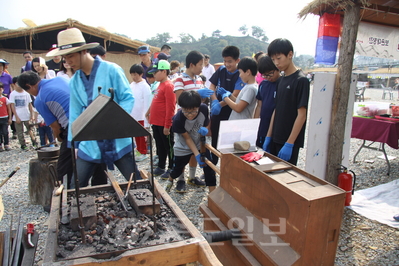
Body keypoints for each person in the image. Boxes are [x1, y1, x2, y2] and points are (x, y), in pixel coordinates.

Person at [47, 27, 141, 188]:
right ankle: (74, 212)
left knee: (137, 182)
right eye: (65, 57)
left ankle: (152, 207)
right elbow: (75, 114)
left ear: (83, 52)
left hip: (117, 137)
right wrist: (74, 144)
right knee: (76, 185)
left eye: (70, 56)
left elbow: (127, 98)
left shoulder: (112, 70)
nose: (67, 61)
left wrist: (114, 122)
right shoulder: (75, 80)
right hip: (90, 142)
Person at [17, 71, 107, 187]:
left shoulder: (40, 99)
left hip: (76, 124)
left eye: (28, 91)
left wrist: (60, 138)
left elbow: (55, 127)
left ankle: (67, 193)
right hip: (95, 115)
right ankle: (101, 189)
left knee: (65, 165)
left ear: (29, 86)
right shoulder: (59, 79)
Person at [263, 38, 310, 165]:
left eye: (279, 58)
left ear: (290, 55)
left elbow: (302, 115)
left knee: (284, 178)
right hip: (275, 137)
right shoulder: (281, 81)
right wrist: (269, 135)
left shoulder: (301, 81)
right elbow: (276, 109)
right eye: (273, 59)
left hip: (289, 140)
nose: (276, 62)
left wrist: (289, 143)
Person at [174, 51, 213, 188]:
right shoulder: (180, 80)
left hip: (196, 120)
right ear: (192, 64)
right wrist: (197, 93)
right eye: (200, 65)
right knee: (183, 149)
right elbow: (180, 100)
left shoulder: (199, 79)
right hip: (184, 119)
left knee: (195, 148)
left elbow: (200, 102)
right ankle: (180, 179)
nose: (202, 68)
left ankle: (192, 177)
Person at [165, 90, 216, 193]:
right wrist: (197, 155)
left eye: (193, 111)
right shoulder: (178, 119)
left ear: (199, 106)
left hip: (199, 142)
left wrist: (206, 128)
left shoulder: (204, 109)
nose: (190, 115)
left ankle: (212, 194)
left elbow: (206, 122)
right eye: (186, 111)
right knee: (177, 169)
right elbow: (187, 138)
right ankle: (171, 179)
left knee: (209, 169)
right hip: (183, 146)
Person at [209, 46, 244, 165]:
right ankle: (212, 168)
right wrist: (214, 101)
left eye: (230, 61)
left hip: (231, 113)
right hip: (217, 112)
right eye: (225, 61)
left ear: (237, 61)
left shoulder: (240, 74)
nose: (227, 64)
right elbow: (212, 87)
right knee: (215, 141)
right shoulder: (221, 70)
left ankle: (227, 170)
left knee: (229, 143)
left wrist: (220, 104)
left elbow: (235, 94)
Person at [146, 60, 176, 178]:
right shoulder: (159, 85)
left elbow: (171, 107)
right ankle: (161, 166)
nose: (154, 75)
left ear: (164, 71)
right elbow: (155, 101)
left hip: (164, 123)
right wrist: (148, 112)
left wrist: (167, 125)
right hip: (156, 122)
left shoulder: (168, 86)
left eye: (156, 72)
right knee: (160, 145)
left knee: (168, 146)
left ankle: (171, 167)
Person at [253, 55, 280, 147]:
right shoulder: (263, 85)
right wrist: (254, 125)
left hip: (275, 129)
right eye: (264, 75)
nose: (268, 77)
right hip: (263, 126)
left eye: (270, 74)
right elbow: (259, 106)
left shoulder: (281, 84)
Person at [129, 64, 151, 162]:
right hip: (133, 114)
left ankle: (143, 151)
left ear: (141, 74)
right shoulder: (131, 85)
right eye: (132, 75)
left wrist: (146, 118)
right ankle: (138, 150)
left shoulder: (145, 86)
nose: (134, 77)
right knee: (135, 135)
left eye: (135, 75)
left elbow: (147, 103)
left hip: (141, 114)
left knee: (141, 135)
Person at [9, 79, 37, 150]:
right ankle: (23, 144)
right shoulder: (13, 94)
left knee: (31, 130)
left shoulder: (26, 93)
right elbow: (12, 106)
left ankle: (34, 142)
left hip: (26, 115)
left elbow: (30, 104)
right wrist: (16, 116)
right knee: (20, 132)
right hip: (18, 116)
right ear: (15, 84)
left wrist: (32, 115)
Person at [0, 82, 12, 151]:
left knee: (5, 131)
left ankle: (6, 144)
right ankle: (0, 144)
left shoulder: (5, 99)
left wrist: (10, 118)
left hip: (4, 117)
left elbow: (9, 109)